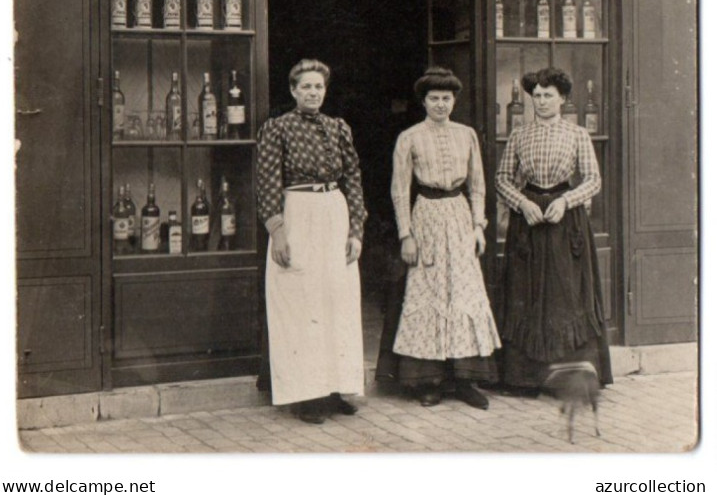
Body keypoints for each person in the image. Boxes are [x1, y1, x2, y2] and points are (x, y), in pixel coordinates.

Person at [378, 66, 501, 408]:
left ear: (454, 101)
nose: (441, 105)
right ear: (424, 101)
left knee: (462, 290)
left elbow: (478, 185)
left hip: (459, 216)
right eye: (434, 98)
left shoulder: (467, 135)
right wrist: (406, 234)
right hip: (427, 215)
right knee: (428, 290)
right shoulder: (410, 137)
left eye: (446, 98)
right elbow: (400, 190)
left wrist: (479, 226)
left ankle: (464, 379)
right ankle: (427, 380)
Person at [256, 58, 366, 424]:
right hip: (298, 214)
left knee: (337, 301)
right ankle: (306, 395)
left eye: (319, 87)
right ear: (293, 90)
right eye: (306, 86)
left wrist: (356, 231)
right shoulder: (277, 128)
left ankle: (335, 388)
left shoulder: (339, 128)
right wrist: (278, 231)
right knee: (300, 305)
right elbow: (267, 181)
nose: (313, 93)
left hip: (334, 215)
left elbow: (353, 179)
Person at [496, 67, 613, 392]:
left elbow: (593, 179)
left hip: (566, 221)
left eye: (549, 95)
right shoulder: (519, 135)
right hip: (529, 219)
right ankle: (525, 378)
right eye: (537, 95)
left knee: (567, 295)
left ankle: (571, 377)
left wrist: (566, 201)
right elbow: (502, 178)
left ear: (562, 99)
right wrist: (523, 204)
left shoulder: (577, 135)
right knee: (527, 292)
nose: (542, 101)